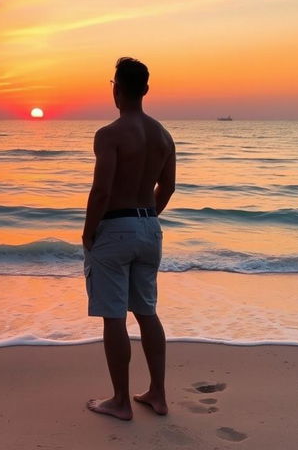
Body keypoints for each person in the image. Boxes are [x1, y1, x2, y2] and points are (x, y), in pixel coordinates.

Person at [82, 57, 176, 421]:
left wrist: (90, 230)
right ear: (146, 90)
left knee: (114, 316)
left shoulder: (110, 135)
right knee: (147, 311)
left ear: (116, 89)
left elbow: (102, 190)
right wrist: (146, 219)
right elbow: (167, 187)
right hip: (149, 226)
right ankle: (158, 394)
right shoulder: (163, 135)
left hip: (116, 226)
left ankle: (121, 400)